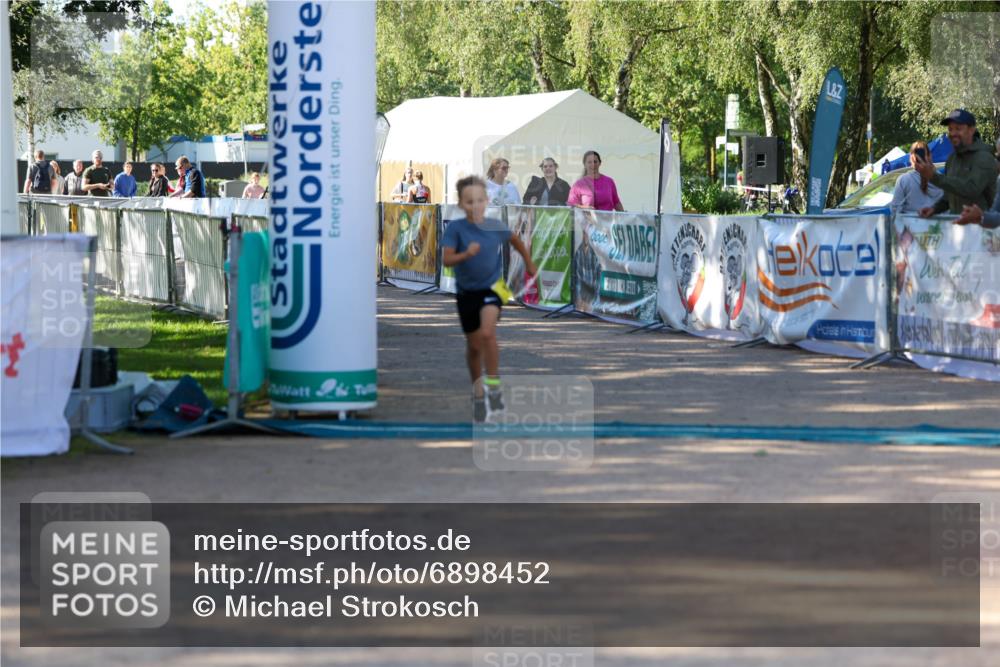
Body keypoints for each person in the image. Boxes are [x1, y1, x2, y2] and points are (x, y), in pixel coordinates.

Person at [440, 175, 537, 422]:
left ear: (487, 201)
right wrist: (465, 254)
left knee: (487, 334)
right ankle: (478, 392)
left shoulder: (494, 226)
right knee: (474, 347)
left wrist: (528, 263)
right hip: (466, 293)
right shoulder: (456, 229)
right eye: (470, 201)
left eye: (480, 200)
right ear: (461, 204)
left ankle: (494, 386)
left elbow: (515, 239)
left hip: (493, 288)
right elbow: (447, 260)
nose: (476, 205)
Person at [917, 109, 996, 217]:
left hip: (984, 229)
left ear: (971, 130)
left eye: (958, 129)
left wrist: (933, 176)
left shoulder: (984, 157)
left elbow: (971, 189)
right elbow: (950, 194)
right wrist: (935, 209)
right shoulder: (952, 159)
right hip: (958, 228)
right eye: (950, 129)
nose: (953, 133)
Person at [889, 141, 943, 219]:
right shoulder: (942, 179)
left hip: (911, 228)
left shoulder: (904, 180)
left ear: (912, 158)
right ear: (930, 156)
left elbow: (895, 210)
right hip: (937, 228)